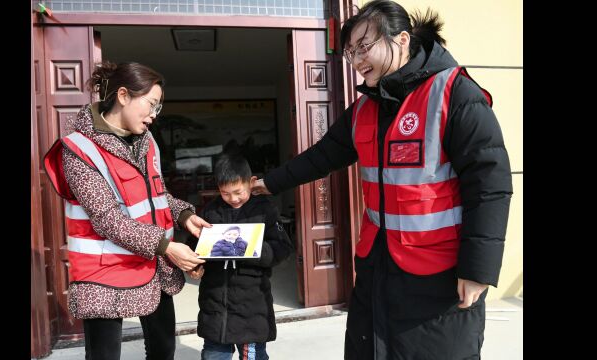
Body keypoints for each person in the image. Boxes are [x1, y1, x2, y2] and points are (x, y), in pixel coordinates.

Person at [251, 1, 513, 359]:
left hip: (439, 273)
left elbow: (490, 184)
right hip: (378, 266)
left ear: (402, 39)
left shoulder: (454, 94)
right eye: (350, 52)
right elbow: (322, 156)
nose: (357, 60)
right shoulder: (364, 109)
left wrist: (479, 268)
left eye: (365, 46)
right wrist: (269, 183)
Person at [43, 61, 211, 360]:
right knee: (104, 356)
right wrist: (167, 247)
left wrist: (184, 216)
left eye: (158, 108)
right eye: (151, 105)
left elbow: (156, 196)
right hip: (104, 273)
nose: (154, 116)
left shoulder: (147, 143)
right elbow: (107, 218)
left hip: (152, 265)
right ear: (123, 95)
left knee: (163, 351)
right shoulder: (79, 149)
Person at [190, 154, 294, 360]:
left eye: (238, 192)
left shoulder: (265, 210)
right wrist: (194, 265)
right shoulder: (211, 211)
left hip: (252, 305)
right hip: (214, 303)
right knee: (213, 355)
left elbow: (282, 248)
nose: (233, 198)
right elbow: (196, 245)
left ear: (252, 182)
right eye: (225, 193)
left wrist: (252, 247)